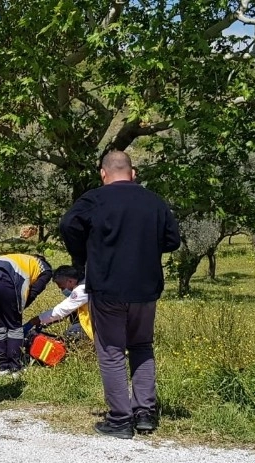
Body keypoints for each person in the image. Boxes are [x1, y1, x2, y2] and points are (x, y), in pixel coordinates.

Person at [59, 150, 180, 439]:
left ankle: (120, 419)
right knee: (142, 346)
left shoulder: (95, 199)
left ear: (103, 173)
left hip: (108, 287)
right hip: (145, 288)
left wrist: (84, 255)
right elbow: (172, 240)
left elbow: (68, 225)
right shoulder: (154, 201)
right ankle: (145, 413)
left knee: (112, 351)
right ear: (133, 173)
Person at [0, 253, 52, 376]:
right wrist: (17, 310)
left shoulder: (20, 258)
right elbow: (34, 291)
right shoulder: (45, 268)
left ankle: (2, 367)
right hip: (5, 280)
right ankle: (14, 367)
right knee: (15, 326)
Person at [25, 265, 93, 342]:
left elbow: (60, 311)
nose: (62, 290)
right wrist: (46, 322)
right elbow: (67, 313)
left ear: (70, 281)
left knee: (70, 336)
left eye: (62, 287)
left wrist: (34, 321)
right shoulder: (86, 282)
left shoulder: (81, 290)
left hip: (98, 326)